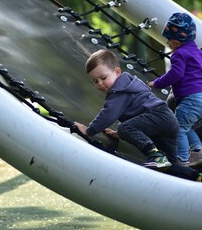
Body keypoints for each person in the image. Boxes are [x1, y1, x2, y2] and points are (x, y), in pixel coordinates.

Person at [74, 49, 201, 182]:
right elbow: (139, 113)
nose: (100, 83)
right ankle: (195, 176)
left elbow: (108, 114)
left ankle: (156, 156)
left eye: (103, 78)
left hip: (157, 115)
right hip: (167, 120)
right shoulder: (130, 83)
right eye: (95, 81)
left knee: (125, 128)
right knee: (170, 165)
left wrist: (89, 131)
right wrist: (119, 133)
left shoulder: (118, 90)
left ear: (117, 72)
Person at [148, 12, 202, 167]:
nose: (168, 44)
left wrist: (156, 83)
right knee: (187, 126)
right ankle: (198, 151)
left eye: (168, 41)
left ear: (175, 41)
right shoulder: (197, 52)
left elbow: (175, 74)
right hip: (200, 99)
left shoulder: (179, 54)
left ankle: (182, 159)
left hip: (191, 99)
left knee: (178, 128)